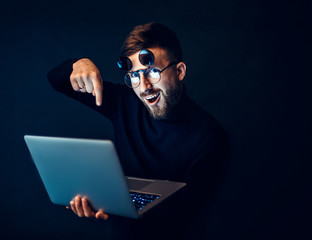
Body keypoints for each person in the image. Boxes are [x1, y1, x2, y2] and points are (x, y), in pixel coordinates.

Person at [47, 22, 228, 239]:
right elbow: (57, 80)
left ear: (179, 71)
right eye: (135, 75)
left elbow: (180, 221)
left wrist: (110, 202)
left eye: (152, 72)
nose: (143, 87)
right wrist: (77, 64)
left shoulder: (209, 137)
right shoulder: (126, 102)